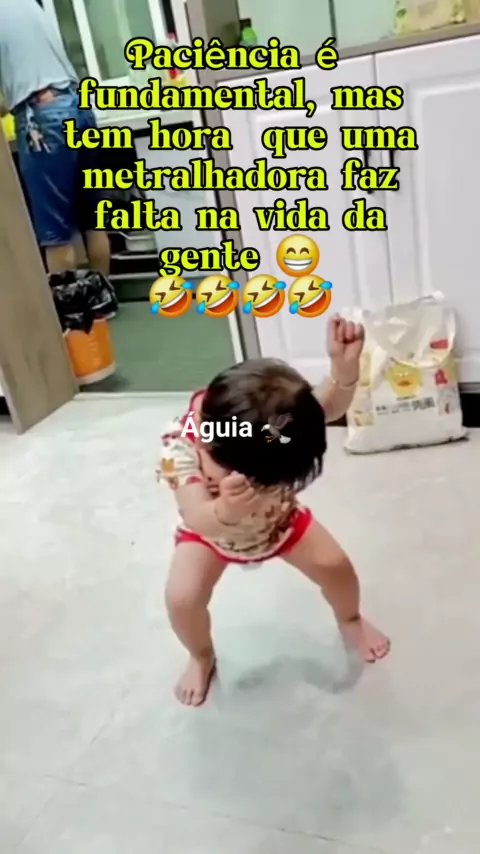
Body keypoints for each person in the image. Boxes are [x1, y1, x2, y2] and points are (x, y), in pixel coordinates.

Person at [157, 316, 391, 707]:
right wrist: (224, 509)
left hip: (280, 522)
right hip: (210, 534)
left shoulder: (275, 420)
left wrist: (343, 370)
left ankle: (349, 618)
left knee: (336, 567)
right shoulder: (181, 445)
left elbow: (327, 407)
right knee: (182, 599)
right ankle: (200, 656)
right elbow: (196, 515)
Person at [0, 0, 110, 278]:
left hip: (43, 116)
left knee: (55, 233)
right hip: (78, 105)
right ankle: (102, 298)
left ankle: (70, 304)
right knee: (92, 222)